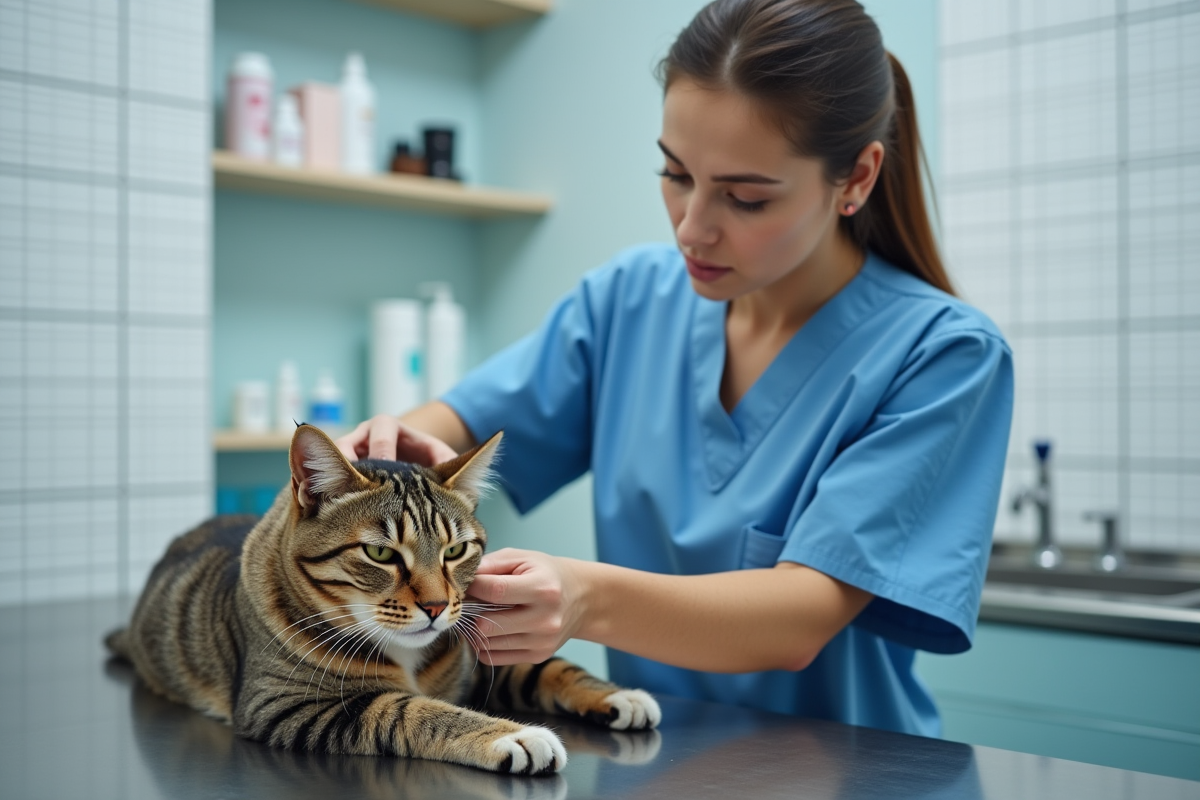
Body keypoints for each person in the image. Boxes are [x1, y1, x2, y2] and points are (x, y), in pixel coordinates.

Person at [336, 0, 1013, 738]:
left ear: (856, 177)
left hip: (850, 774)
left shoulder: (941, 354)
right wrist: (384, 460)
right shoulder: (626, 302)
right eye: (675, 173)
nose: (692, 227)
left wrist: (582, 597)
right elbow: (453, 427)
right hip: (647, 760)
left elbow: (801, 618)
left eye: (746, 197)